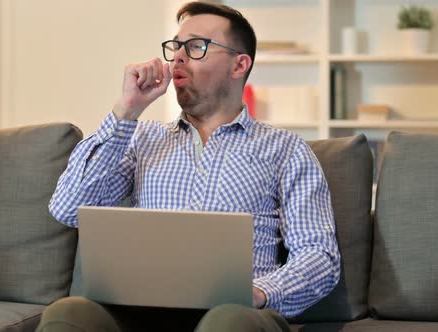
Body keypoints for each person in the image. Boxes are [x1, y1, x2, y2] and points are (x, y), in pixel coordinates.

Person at [38, 2, 340, 331]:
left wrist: (260, 293)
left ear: (239, 65)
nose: (178, 57)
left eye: (196, 46)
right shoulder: (141, 139)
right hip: (140, 311)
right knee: (68, 314)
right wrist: (126, 112)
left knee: (228, 321)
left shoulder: (285, 150)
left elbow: (318, 255)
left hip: (237, 314)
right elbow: (67, 209)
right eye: (176, 46)